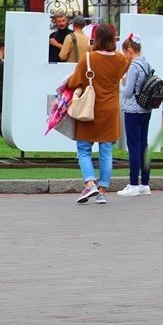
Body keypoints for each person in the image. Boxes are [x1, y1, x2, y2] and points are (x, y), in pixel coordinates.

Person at [67, 24, 129, 204]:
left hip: (89, 108)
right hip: (110, 111)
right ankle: (102, 192)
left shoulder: (88, 58)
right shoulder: (121, 60)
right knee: (106, 152)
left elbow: (74, 82)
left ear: (96, 38)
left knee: (83, 149)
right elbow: (121, 73)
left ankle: (89, 183)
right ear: (113, 38)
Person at [117, 33, 152, 197]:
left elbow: (128, 92)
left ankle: (133, 183)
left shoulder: (133, 67)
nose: (125, 55)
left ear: (130, 50)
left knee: (134, 147)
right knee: (144, 146)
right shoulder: (146, 64)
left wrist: (118, 85)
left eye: (125, 52)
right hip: (146, 109)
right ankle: (145, 183)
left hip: (133, 110)